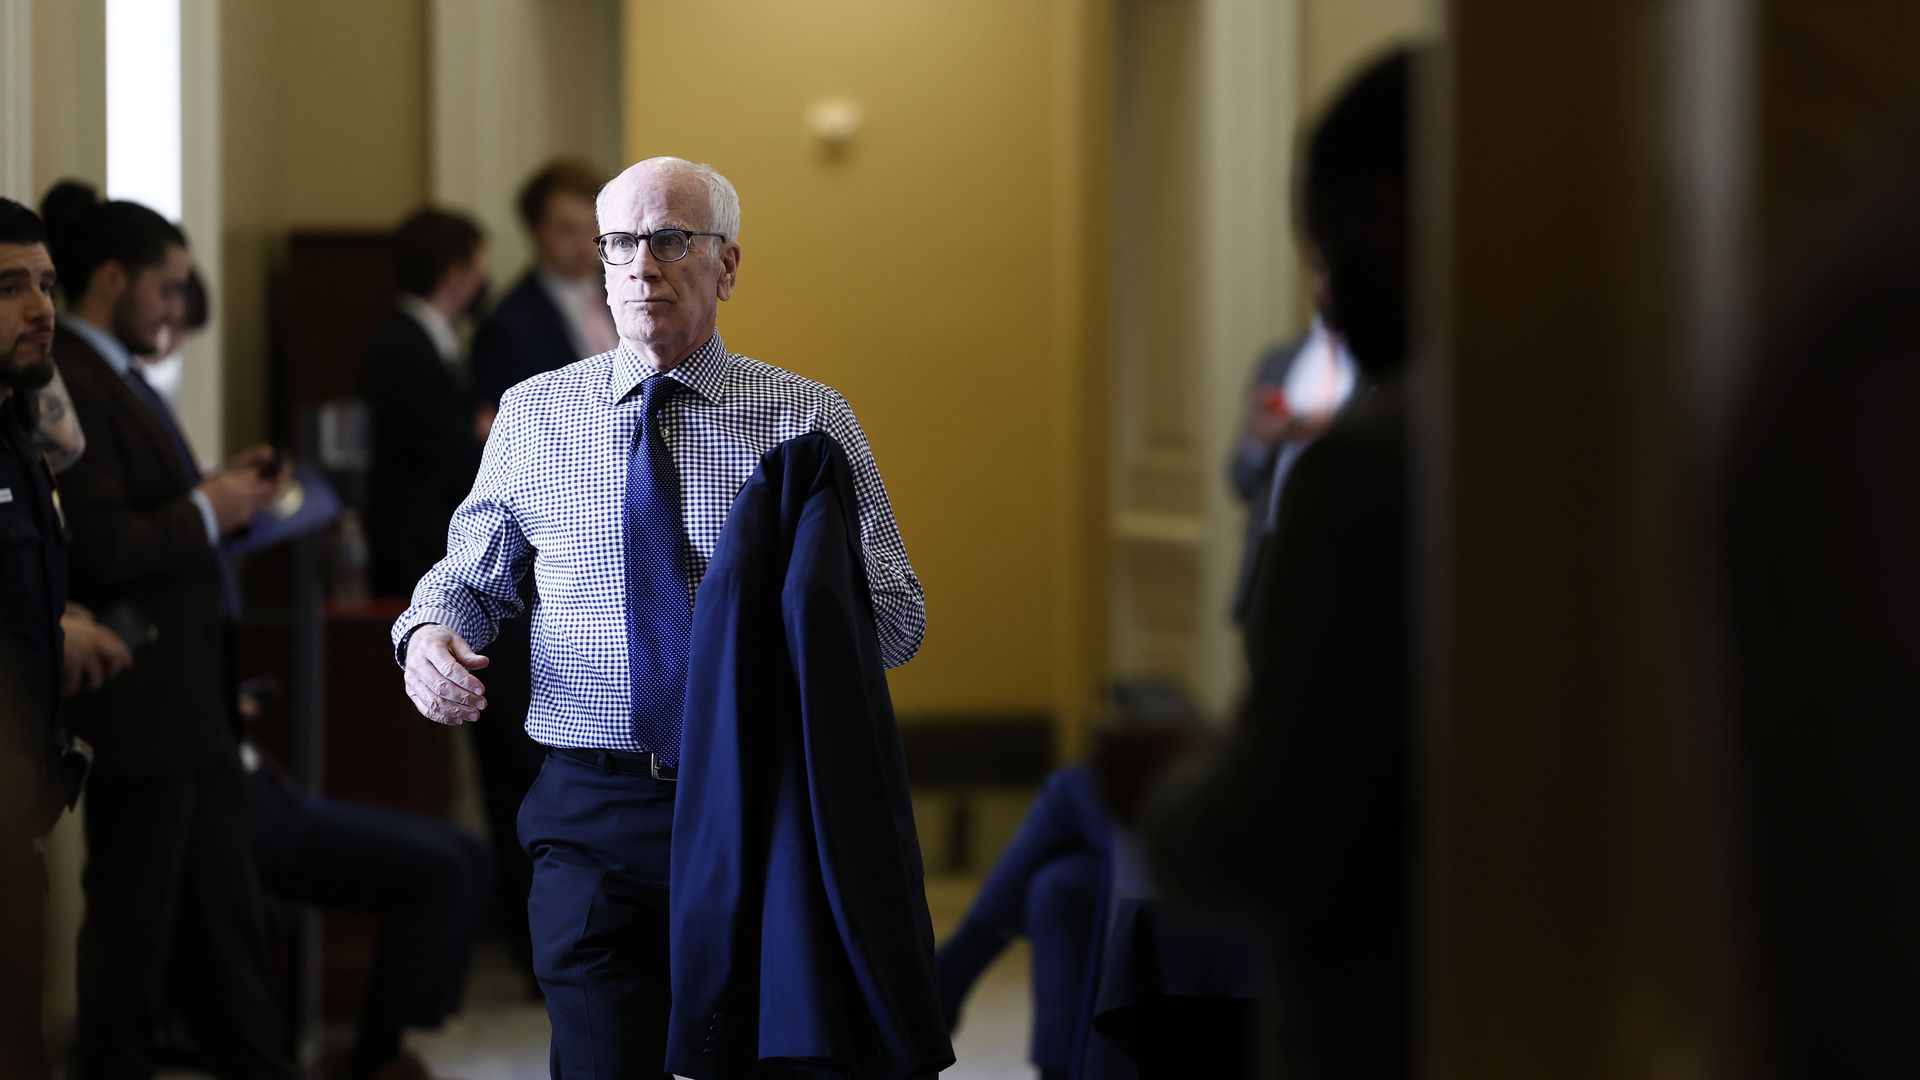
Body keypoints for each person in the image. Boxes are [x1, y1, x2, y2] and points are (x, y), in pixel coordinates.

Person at [392, 156, 929, 1076]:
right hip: (590, 809)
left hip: (758, 803)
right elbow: (468, 579)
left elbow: (898, 618)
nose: (644, 266)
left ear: (726, 267)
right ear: (599, 265)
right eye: (620, 245)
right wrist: (426, 638)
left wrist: (786, 617)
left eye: (672, 241)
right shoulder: (533, 417)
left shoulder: (807, 422)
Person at [1135, 50, 1418, 1080]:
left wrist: (1166, 788)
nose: (1329, 300)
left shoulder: (1378, 466)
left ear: (1384, 216)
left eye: (1329, 252)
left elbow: (1270, 838)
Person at [41, 180, 299, 1079]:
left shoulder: (114, 374)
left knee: (217, 919)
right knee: (133, 929)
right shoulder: (72, 373)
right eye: (169, 288)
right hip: (143, 699)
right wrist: (205, 506)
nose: (180, 308)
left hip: (186, 698)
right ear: (114, 279)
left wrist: (215, 498)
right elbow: (101, 543)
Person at [359, 207, 490, 599]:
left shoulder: (429, 341)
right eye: (479, 268)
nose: (485, 281)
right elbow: (454, 452)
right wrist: (482, 431)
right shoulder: (403, 349)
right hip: (414, 549)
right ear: (454, 274)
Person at [1226, 257, 1358, 621]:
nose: (1327, 282)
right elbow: (1238, 479)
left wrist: (1323, 429)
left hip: (1348, 579)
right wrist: (1260, 440)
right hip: (1271, 577)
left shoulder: (1382, 370)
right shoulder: (1279, 361)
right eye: (1318, 269)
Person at [472, 158, 616, 410]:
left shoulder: (628, 290)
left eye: (593, 226)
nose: (585, 243)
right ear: (536, 232)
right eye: (567, 230)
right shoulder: (505, 326)